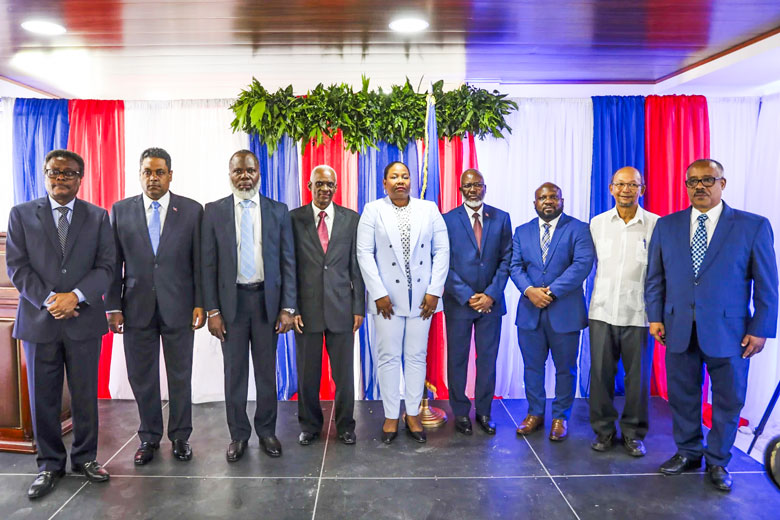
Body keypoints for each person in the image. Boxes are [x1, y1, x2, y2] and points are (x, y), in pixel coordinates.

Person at [646, 159, 778, 492]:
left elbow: (768, 284)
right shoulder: (667, 225)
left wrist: (761, 327)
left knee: (728, 399)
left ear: (723, 183)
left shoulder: (752, 226)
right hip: (678, 328)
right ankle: (688, 452)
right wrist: (656, 316)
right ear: (686, 185)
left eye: (708, 180)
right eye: (693, 182)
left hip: (731, 333)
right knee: (682, 396)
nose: (700, 187)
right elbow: (655, 277)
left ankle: (718, 459)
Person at [6, 149, 115, 499]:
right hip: (40, 321)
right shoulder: (21, 215)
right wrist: (53, 300)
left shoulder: (98, 217)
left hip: (83, 320)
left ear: (80, 178)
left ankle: (85, 458)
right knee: (43, 398)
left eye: (68, 173)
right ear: (45, 174)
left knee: (85, 396)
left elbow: (107, 268)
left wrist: (76, 296)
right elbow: (18, 267)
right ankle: (49, 464)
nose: (60, 178)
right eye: (53, 172)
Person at [107, 147, 204, 465]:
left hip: (180, 305)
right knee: (141, 375)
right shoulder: (121, 210)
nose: (153, 177)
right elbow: (113, 263)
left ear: (170, 175)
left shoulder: (191, 210)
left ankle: (180, 437)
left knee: (180, 374)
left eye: (159, 171)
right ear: (140, 174)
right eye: (147, 171)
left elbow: (199, 263)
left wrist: (201, 303)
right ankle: (149, 437)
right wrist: (113, 306)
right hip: (136, 307)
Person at [201, 149, 296, 460]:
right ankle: (239, 435)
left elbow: (287, 262)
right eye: (238, 170)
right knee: (235, 373)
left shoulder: (278, 210)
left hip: (267, 304)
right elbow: (208, 265)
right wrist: (212, 310)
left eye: (250, 170)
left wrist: (288, 308)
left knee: (267, 373)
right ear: (230, 174)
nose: (244, 176)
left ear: (259, 173)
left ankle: (267, 432)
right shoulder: (213, 211)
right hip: (232, 306)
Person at [356, 161, 449, 444]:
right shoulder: (373, 210)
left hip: (423, 300)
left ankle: (412, 414)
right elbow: (364, 253)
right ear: (384, 183)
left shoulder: (428, 209)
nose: (400, 181)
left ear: (410, 181)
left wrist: (434, 291)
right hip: (387, 301)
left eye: (405, 176)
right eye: (394, 177)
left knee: (416, 356)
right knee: (387, 357)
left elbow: (442, 250)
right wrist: (378, 293)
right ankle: (391, 415)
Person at [510, 182, 594, 441]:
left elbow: (582, 265)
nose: (547, 201)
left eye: (553, 197)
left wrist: (550, 291)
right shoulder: (521, 232)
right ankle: (534, 413)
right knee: (532, 368)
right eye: (542, 197)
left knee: (565, 369)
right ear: (534, 203)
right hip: (529, 312)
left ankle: (560, 417)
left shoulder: (579, 229)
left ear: (562, 201)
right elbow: (514, 266)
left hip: (565, 313)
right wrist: (529, 291)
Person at [290, 165, 364, 446]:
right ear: (309, 186)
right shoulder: (294, 219)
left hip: (342, 308)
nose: (324, 189)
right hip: (305, 311)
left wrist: (358, 306)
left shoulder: (350, 220)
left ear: (336, 188)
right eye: (319, 184)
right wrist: (291, 308)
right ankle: (309, 425)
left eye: (329, 185)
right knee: (308, 373)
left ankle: (345, 425)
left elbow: (356, 267)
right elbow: (290, 267)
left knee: (344, 374)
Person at [588, 166, 659, 457]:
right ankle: (603, 431)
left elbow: (659, 272)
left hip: (639, 314)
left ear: (642, 189)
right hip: (602, 311)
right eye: (621, 184)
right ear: (611, 188)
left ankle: (633, 433)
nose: (626, 190)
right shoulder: (597, 223)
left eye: (633, 185)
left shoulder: (656, 224)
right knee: (601, 375)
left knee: (637, 378)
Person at [442, 168, 512, 435]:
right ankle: (460, 412)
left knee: (488, 360)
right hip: (460, 303)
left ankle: (484, 411)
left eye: (478, 185)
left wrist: (491, 294)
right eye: (468, 185)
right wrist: (467, 295)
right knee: (458, 359)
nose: (473, 189)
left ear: (485, 187)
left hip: (491, 304)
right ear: (461, 189)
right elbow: (443, 262)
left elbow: (507, 259)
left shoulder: (502, 218)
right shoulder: (447, 219)